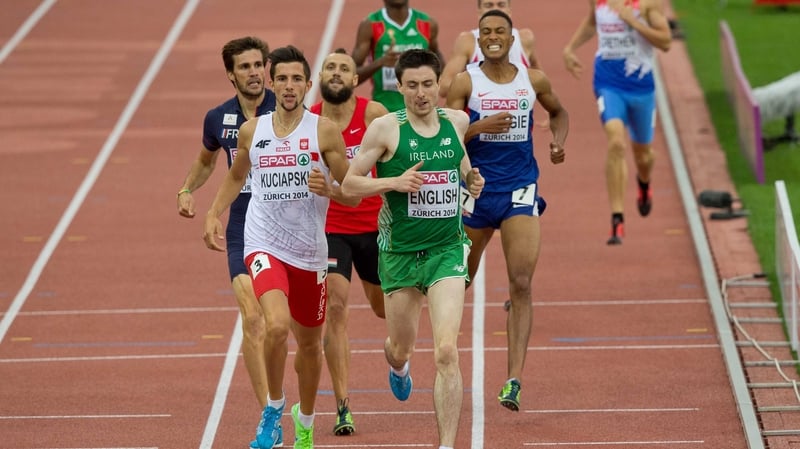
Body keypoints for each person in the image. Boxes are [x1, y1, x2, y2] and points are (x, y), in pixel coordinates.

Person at [203, 45, 350, 449]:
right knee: (276, 325)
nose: (288, 86)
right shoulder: (254, 131)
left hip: (309, 251)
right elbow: (235, 176)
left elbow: (353, 194)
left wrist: (332, 189)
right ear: (272, 82)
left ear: (308, 84)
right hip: (264, 242)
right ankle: (273, 408)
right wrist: (214, 211)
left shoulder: (323, 132)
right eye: (281, 78)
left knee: (309, 345)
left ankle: (304, 420)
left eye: (296, 79)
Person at [341, 49, 484, 449]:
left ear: (439, 84)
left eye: (428, 85)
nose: (422, 93)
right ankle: (399, 367)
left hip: (447, 250)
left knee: (446, 351)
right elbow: (349, 185)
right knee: (400, 347)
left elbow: (462, 168)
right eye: (412, 86)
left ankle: (446, 444)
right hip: (401, 254)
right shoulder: (386, 129)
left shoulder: (456, 121)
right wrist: (392, 183)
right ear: (399, 87)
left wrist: (472, 181)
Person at [446, 9, 569, 412]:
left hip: (519, 190)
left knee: (521, 282)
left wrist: (557, 142)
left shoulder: (532, 80)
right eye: (486, 32)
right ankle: (440, 354)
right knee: (458, 281)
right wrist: (480, 127)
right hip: (476, 192)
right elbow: (446, 133)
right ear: (477, 40)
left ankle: (513, 379)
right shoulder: (466, 82)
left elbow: (560, 112)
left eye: (500, 31)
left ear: (511, 38)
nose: (493, 37)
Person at [175, 36, 274, 441]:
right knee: (252, 319)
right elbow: (205, 160)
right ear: (231, 74)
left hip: (288, 220)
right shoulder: (218, 118)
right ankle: (269, 412)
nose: (255, 72)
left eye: (258, 65)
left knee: (294, 326)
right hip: (243, 223)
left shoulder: (289, 106)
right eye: (245, 67)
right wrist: (186, 190)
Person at [308, 49, 389, 436]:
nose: (337, 73)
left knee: (383, 310)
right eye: (330, 67)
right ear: (321, 76)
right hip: (331, 228)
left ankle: (398, 354)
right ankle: (343, 406)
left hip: (374, 227)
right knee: (335, 309)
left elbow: (398, 152)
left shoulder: (372, 115)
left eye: (344, 68)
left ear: (356, 79)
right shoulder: (310, 122)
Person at [562, 0, 671, 244]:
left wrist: (633, 22)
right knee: (616, 142)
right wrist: (570, 48)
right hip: (608, 83)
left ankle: (644, 182)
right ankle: (617, 219)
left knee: (644, 156)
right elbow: (592, 22)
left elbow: (666, 42)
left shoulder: (648, 4)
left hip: (641, 87)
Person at [352, 0, 443, 112]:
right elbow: (351, 76)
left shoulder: (427, 23)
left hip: (421, 109)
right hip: (385, 110)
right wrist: (381, 62)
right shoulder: (370, 24)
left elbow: (437, 58)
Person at [438, 0, 542, 99]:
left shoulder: (525, 39)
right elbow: (444, 87)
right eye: (489, 5)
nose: (495, 9)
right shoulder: (468, 41)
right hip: (478, 116)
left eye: (501, 4)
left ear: (509, 10)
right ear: (479, 12)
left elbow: (541, 81)